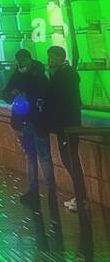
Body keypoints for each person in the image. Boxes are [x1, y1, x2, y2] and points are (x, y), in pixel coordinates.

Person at [3, 48, 57, 215]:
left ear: (29, 60)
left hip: (38, 122)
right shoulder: (18, 74)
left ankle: (51, 192)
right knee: (30, 157)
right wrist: (13, 92)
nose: (21, 64)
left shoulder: (38, 74)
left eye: (24, 61)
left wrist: (24, 93)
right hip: (24, 123)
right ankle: (33, 191)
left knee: (43, 156)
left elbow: (44, 95)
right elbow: (6, 94)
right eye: (19, 61)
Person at [46, 45, 87, 212]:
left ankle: (81, 198)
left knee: (71, 160)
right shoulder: (60, 74)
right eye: (48, 56)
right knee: (68, 160)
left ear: (60, 57)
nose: (49, 59)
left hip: (68, 126)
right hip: (63, 125)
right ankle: (79, 196)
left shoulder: (66, 75)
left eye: (51, 56)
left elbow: (60, 100)